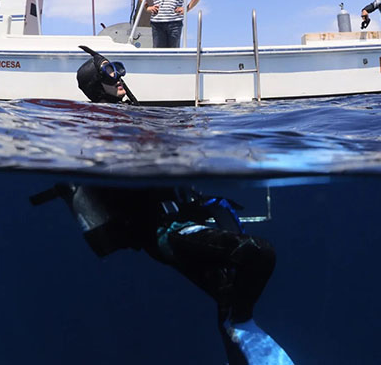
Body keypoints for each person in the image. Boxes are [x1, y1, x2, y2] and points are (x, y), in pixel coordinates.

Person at [33, 48, 294, 364]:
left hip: (179, 221)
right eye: (110, 72)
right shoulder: (100, 125)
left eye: (119, 69)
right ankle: (241, 321)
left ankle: (236, 337)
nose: (120, 77)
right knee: (259, 252)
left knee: (226, 289)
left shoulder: (135, 115)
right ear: (94, 84)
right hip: (164, 232)